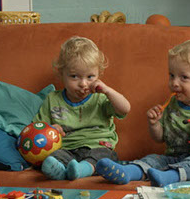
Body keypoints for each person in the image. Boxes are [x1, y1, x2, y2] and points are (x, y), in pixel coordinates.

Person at [97, 39, 190, 187]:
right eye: (172, 75)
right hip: (171, 158)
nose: (174, 83)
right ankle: (126, 172)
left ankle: (168, 177)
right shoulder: (172, 104)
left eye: (184, 77)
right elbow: (160, 138)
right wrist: (154, 124)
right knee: (153, 159)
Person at [31, 36, 130, 180]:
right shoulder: (53, 99)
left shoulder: (100, 98)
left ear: (99, 74)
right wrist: (51, 129)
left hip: (97, 146)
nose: (83, 84)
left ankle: (82, 169)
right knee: (53, 157)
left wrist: (108, 91)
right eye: (74, 76)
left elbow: (125, 109)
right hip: (67, 149)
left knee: (105, 157)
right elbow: (38, 128)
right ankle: (61, 172)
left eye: (90, 77)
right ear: (61, 74)